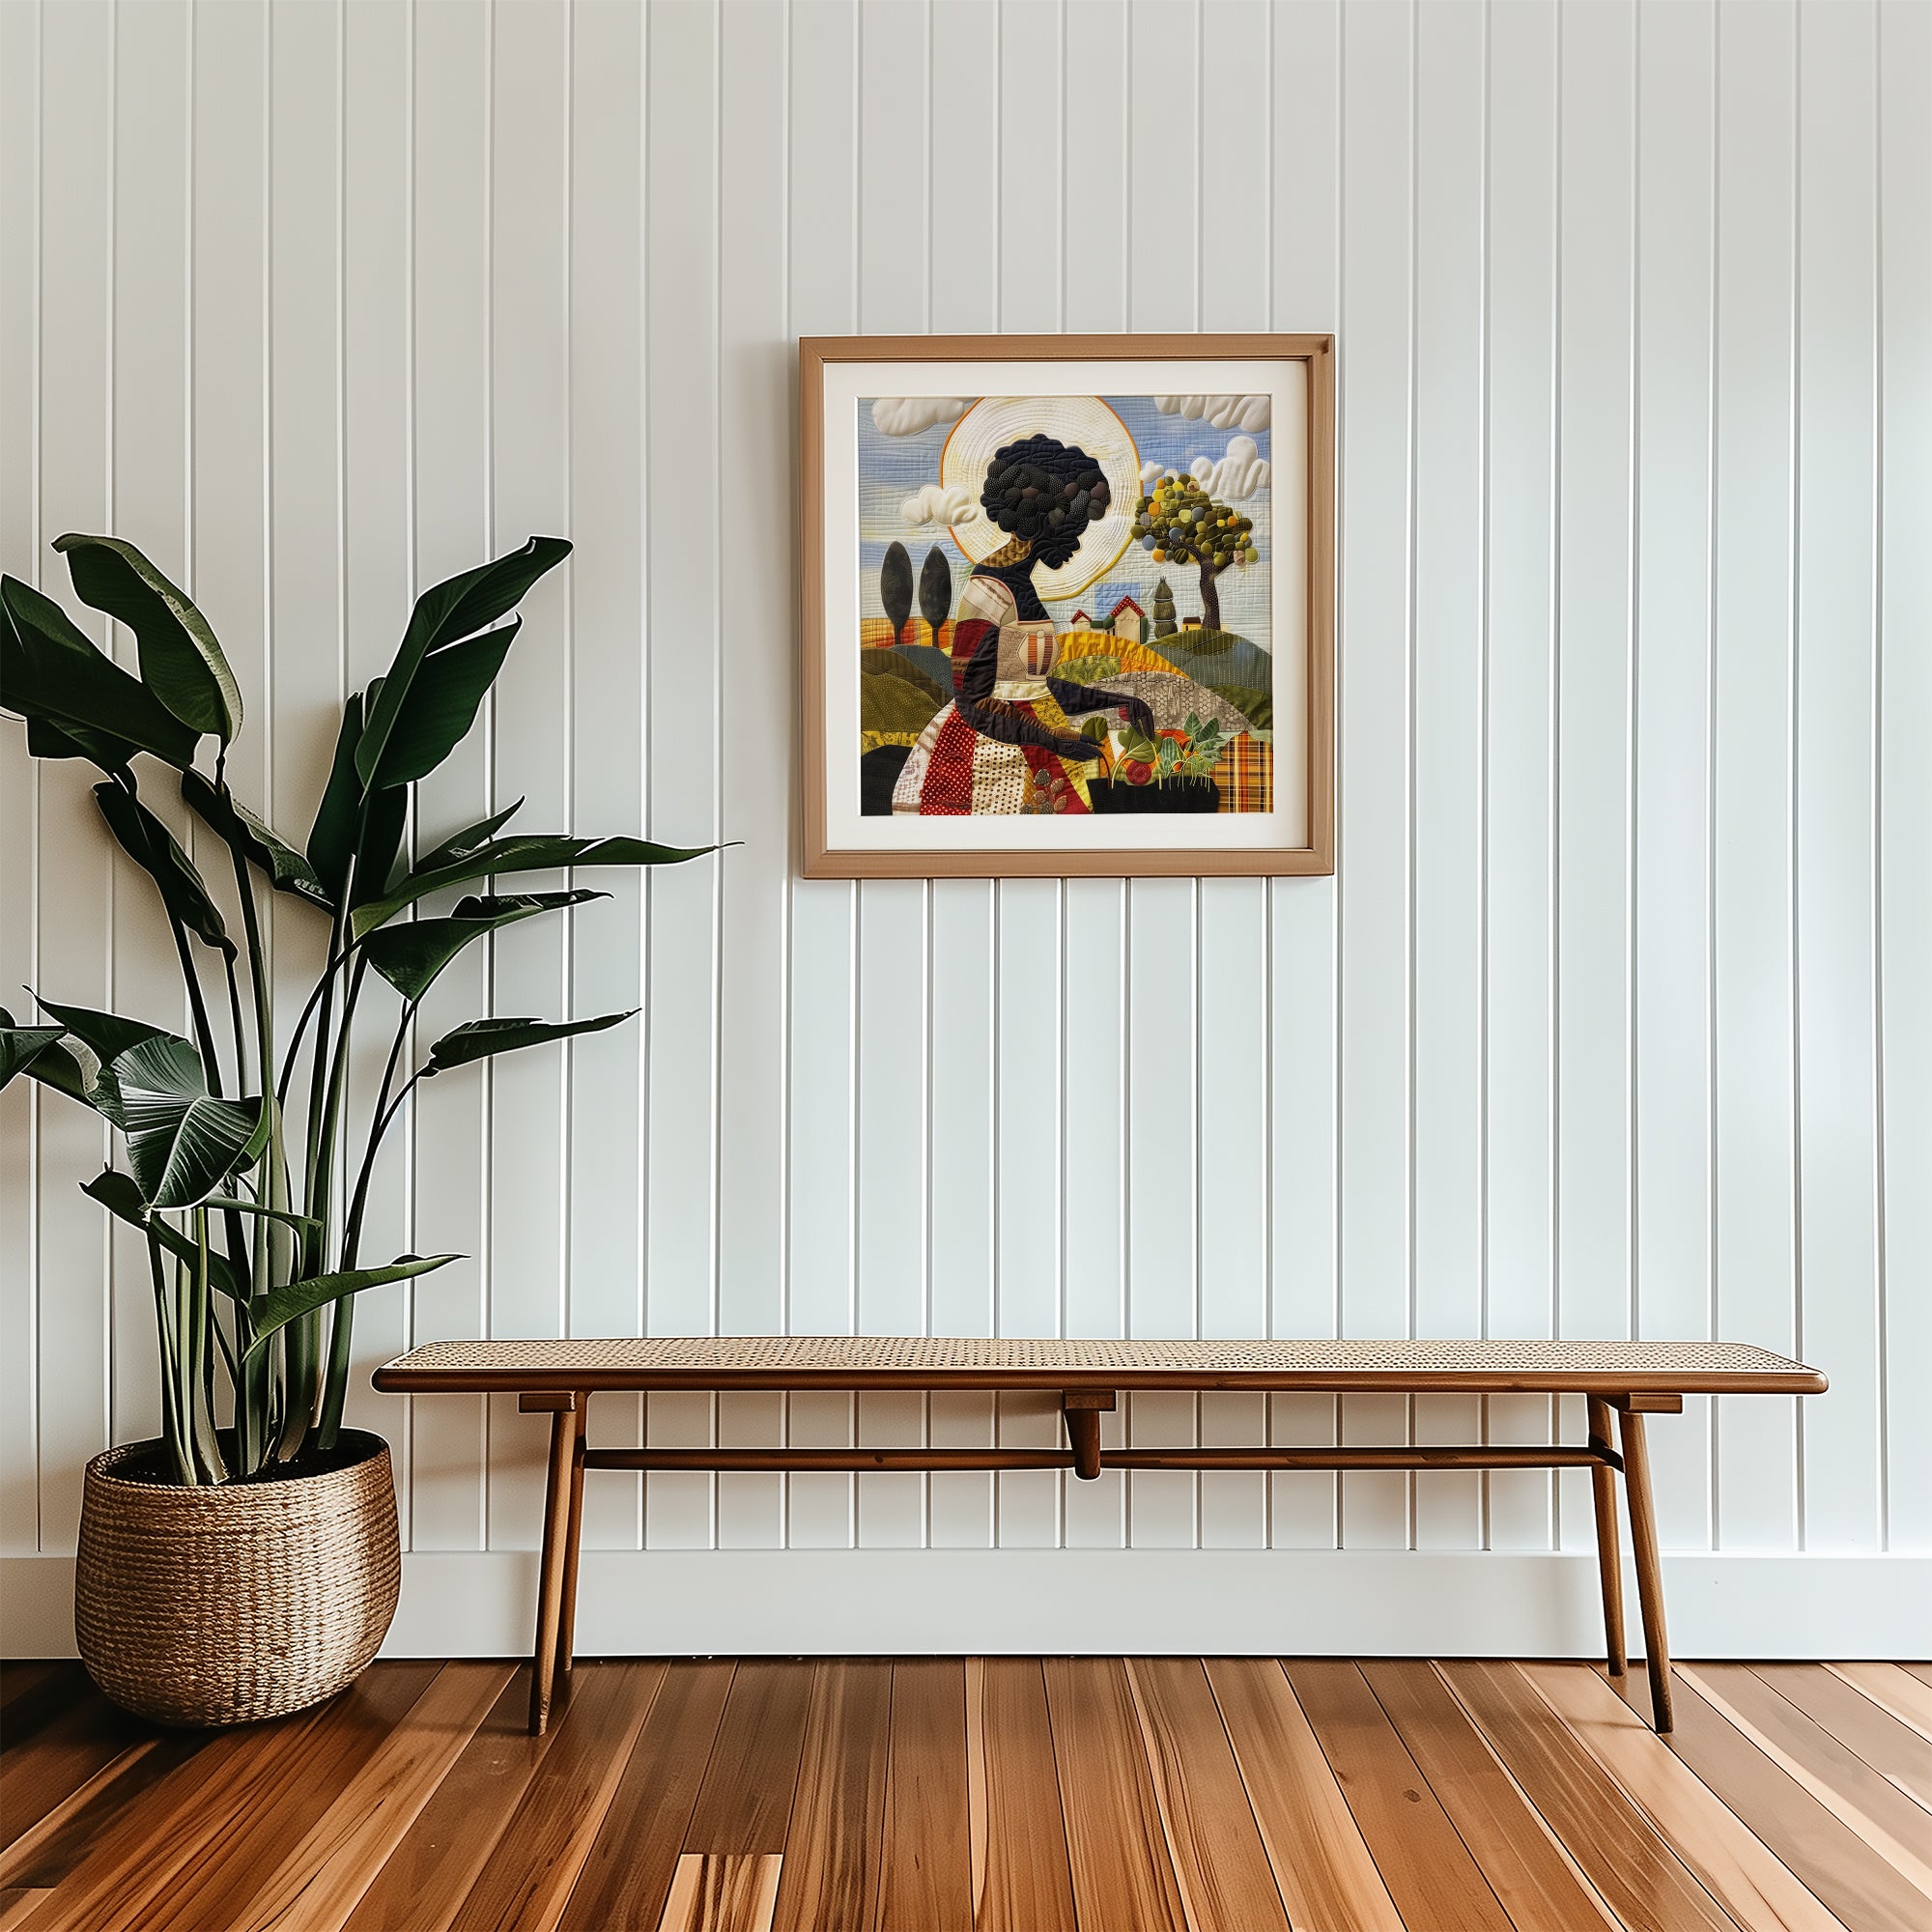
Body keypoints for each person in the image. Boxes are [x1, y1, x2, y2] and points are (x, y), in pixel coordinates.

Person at [887, 434, 1152, 815]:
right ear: (1043, 522)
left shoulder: (1020, 583)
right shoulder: (988, 590)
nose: (1077, 539)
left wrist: (1118, 703)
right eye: (1074, 524)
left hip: (1038, 741)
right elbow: (973, 702)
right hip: (989, 757)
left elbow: (1031, 688)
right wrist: (1051, 740)